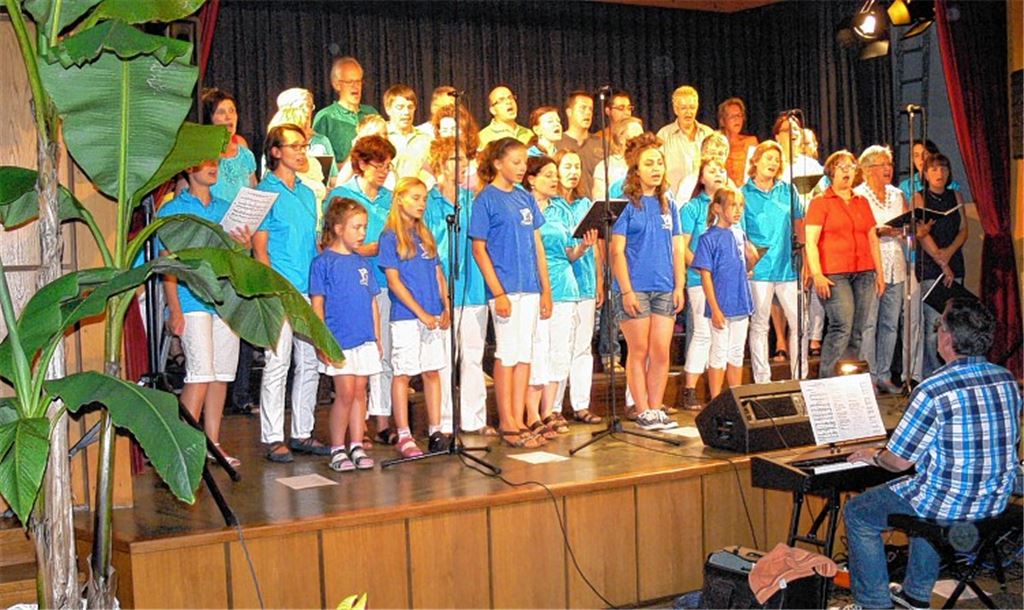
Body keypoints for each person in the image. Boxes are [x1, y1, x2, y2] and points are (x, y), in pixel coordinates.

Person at [844, 298, 1021, 610]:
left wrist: (874, 455)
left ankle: (873, 604)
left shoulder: (932, 389)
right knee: (929, 491)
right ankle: (915, 596)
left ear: (948, 339)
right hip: (995, 502)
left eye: (940, 327)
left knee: (859, 513)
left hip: (949, 507)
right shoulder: (1006, 379)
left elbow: (898, 463)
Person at [158, 160, 250, 467]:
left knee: (221, 375)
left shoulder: (226, 208)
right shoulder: (173, 210)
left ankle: (213, 443)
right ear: (187, 168)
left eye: (215, 163)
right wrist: (175, 308)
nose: (213, 168)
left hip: (224, 301)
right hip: (192, 299)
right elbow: (167, 263)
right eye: (205, 163)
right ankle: (182, 449)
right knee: (199, 374)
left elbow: (236, 258)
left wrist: (243, 244)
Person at [469, 137, 552, 449]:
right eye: (515, 162)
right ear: (498, 164)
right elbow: (479, 249)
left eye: (524, 162)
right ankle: (507, 421)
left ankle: (518, 418)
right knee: (507, 353)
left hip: (530, 286)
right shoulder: (486, 199)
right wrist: (498, 292)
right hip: (505, 287)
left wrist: (545, 289)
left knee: (525, 354)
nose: (521, 168)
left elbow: (537, 245)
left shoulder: (524, 198)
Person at [254, 124, 328, 462]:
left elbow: (312, 243)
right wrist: (272, 290)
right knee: (278, 362)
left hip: (307, 287)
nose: (301, 152)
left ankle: (302, 431)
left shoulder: (307, 192)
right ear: (275, 151)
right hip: (280, 288)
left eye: (304, 146)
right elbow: (260, 250)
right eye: (294, 146)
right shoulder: (264, 193)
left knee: (309, 362)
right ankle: (272, 436)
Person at [610, 132, 684, 431]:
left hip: (664, 286)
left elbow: (678, 248)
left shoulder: (670, 205)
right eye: (649, 163)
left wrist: (679, 286)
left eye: (659, 163)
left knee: (661, 351)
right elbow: (616, 250)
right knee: (638, 350)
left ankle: (656, 407)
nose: (656, 168)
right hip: (635, 287)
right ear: (635, 169)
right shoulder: (625, 204)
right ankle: (642, 409)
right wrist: (626, 289)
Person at [325, 135, 397, 443]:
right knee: (355, 360)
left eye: (388, 165)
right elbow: (329, 241)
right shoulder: (342, 195)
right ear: (362, 164)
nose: (383, 171)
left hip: (384, 281)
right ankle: (359, 428)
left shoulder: (390, 198)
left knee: (383, 353)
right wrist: (363, 250)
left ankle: (383, 420)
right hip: (352, 286)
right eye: (378, 165)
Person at [426, 137, 495, 436]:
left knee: (472, 355)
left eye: (464, 160)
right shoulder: (428, 201)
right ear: (440, 164)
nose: (462, 165)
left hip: (473, 287)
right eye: (454, 160)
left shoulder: (473, 199)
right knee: (443, 359)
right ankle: (441, 422)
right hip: (441, 288)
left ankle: (474, 419)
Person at [378, 177, 451, 457]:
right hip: (408, 316)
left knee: (432, 371)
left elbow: (437, 272)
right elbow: (394, 282)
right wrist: (420, 312)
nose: (421, 204)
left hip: (432, 313)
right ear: (399, 199)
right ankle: (404, 433)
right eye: (415, 198)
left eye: (423, 199)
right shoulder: (390, 237)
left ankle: (435, 428)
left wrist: (444, 305)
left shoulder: (425, 235)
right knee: (404, 372)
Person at [523, 155, 595, 438]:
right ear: (531, 178)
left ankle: (549, 409)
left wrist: (583, 249)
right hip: (534, 286)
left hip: (565, 286)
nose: (555, 180)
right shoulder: (522, 207)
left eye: (556, 174)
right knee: (536, 351)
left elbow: (569, 251)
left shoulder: (562, 210)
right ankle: (530, 412)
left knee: (559, 353)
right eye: (548, 175)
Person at [310, 198, 381, 472]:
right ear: (339, 229)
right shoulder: (323, 263)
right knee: (345, 393)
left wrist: (376, 337)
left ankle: (357, 443)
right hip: (339, 339)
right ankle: (337, 447)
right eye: (356, 227)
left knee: (360, 392)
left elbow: (372, 301)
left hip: (363, 338)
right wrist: (322, 338)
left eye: (364, 227)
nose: (362, 233)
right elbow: (318, 304)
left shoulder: (363, 263)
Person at [200, 87, 259, 416]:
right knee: (220, 316)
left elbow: (253, 188)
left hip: (244, 239)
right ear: (209, 117)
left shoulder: (245, 151)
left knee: (244, 316)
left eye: (232, 112)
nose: (228, 118)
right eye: (221, 112)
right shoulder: (203, 153)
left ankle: (241, 393)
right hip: (217, 239)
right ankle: (214, 391)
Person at [805, 150, 886, 379]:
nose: (847, 171)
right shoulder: (821, 202)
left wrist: (879, 273)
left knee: (858, 330)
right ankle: (827, 382)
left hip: (864, 271)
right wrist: (817, 274)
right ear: (831, 172)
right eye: (842, 167)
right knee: (842, 325)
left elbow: (872, 238)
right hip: (835, 273)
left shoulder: (862, 201)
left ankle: (848, 381)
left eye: (851, 166)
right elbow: (810, 242)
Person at [741, 141, 808, 383]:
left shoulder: (787, 191)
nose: (772, 163)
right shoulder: (743, 193)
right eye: (768, 158)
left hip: (788, 266)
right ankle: (762, 380)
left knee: (800, 323)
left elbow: (800, 226)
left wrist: (806, 263)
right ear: (755, 161)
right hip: (759, 270)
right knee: (759, 324)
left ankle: (799, 377)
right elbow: (741, 233)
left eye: (776, 160)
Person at [691, 187, 759, 399]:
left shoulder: (740, 234)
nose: (738, 210)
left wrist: (752, 258)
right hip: (721, 302)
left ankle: (735, 398)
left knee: (737, 352)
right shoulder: (708, 238)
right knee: (718, 352)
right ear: (718, 208)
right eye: (732, 205)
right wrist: (715, 308)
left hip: (740, 301)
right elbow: (706, 275)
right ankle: (716, 398)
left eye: (740, 206)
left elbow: (745, 269)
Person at [551, 149, 603, 424]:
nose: (572, 172)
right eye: (567, 166)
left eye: (576, 167)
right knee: (560, 346)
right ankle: (553, 407)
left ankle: (580, 404)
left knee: (583, 346)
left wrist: (600, 281)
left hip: (585, 281)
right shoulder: (551, 206)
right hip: (561, 285)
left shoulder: (585, 204)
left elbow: (597, 248)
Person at [854, 145, 908, 394]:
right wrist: (878, 231)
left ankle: (885, 374)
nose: (888, 169)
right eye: (882, 164)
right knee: (869, 323)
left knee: (891, 323)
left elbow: (907, 224)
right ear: (867, 169)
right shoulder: (858, 195)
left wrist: (907, 228)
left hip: (896, 263)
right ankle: (868, 377)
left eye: (889, 163)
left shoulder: (897, 195)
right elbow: (858, 232)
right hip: (871, 266)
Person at [678, 158, 730, 410]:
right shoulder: (692, 208)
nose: (718, 173)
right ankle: (689, 389)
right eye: (712, 170)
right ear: (701, 178)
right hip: (700, 279)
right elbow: (683, 246)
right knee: (702, 333)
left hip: (724, 281)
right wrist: (701, 266)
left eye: (722, 169)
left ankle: (716, 393)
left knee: (721, 336)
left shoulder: (730, 207)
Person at [913, 153, 968, 378]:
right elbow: (922, 234)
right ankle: (933, 376)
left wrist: (949, 254)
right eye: (934, 169)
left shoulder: (956, 195)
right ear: (925, 174)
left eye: (943, 169)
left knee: (953, 324)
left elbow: (963, 230)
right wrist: (941, 260)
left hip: (954, 264)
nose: (939, 173)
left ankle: (952, 373)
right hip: (931, 267)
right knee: (933, 327)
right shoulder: (919, 197)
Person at [266, 88, 338, 205]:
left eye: (310, 107)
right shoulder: (276, 150)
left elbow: (332, 179)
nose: (307, 112)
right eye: (301, 107)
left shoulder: (321, 145)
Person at [313, 56, 379, 165]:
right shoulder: (326, 117)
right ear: (337, 85)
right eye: (350, 82)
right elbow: (320, 167)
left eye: (358, 81)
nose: (356, 86)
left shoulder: (371, 113)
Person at [657, 85, 715, 194]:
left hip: (704, 200)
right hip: (673, 201)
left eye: (692, 107)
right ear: (675, 109)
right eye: (684, 108)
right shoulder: (663, 135)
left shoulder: (708, 134)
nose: (689, 112)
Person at [557, 90, 603, 201]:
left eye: (590, 109)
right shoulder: (557, 142)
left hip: (595, 206)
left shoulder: (602, 144)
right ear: (569, 112)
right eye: (582, 108)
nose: (587, 113)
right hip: (565, 206)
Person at [383, 84, 431, 181]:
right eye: (400, 107)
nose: (406, 112)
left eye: (410, 107)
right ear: (388, 110)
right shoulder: (381, 136)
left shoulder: (425, 140)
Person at [593, 116, 643, 202]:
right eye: (635, 138)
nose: (640, 142)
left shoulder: (648, 165)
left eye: (642, 138)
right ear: (621, 139)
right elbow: (599, 204)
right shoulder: (604, 167)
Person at [898, 139, 961, 203]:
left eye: (925, 154)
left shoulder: (952, 185)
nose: (921, 159)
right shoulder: (905, 186)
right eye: (916, 155)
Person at [718, 97, 758, 186]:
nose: (737, 119)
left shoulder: (751, 142)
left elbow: (756, 172)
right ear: (722, 121)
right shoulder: (716, 144)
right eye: (732, 116)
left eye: (739, 115)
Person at [477, 85, 532, 150]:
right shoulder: (482, 138)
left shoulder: (529, 134)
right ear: (493, 110)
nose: (508, 102)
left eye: (510, 97)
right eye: (501, 100)